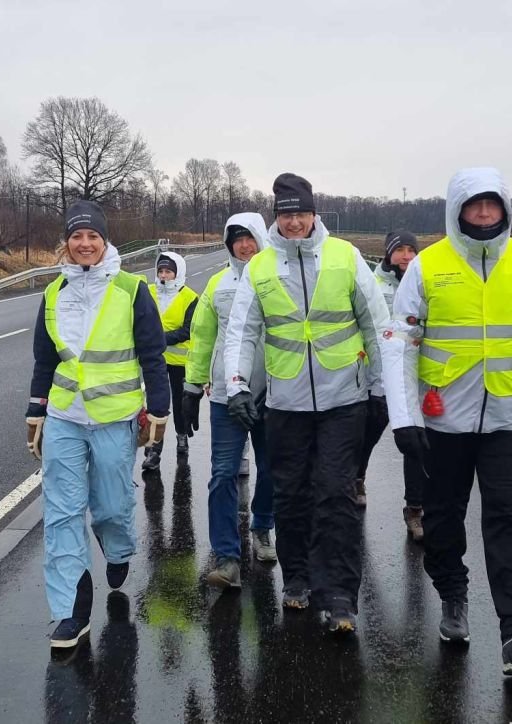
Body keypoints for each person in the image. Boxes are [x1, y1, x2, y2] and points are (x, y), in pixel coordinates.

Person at [382, 167, 512, 676]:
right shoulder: (427, 266)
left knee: (508, 519)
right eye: (474, 205)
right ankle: (453, 598)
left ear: (505, 209)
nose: (484, 214)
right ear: (457, 209)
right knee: (442, 518)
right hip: (443, 422)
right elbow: (400, 346)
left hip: (510, 416)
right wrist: (405, 419)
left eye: (493, 205)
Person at [223, 173, 392, 633]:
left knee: (335, 493)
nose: (293, 222)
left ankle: (339, 593)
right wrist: (237, 385)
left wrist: (383, 389)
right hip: (286, 400)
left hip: (344, 398)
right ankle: (296, 579)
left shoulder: (345, 257)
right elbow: (242, 330)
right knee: (291, 494)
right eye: (285, 214)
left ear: (315, 214)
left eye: (300, 213)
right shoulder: (260, 267)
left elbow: (376, 324)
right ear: (275, 217)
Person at [25, 200, 170, 650]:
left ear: (105, 241)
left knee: (110, 504)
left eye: (93, 237)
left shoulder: (131, 289)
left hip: (114, 417)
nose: (84, 244)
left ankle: (118, 547)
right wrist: (35, 412)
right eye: (76, 237)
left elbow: (152, 352)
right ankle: (71, 610)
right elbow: (45, 358)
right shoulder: (54, 293)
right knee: (63, 512)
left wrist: (160, 410)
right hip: (65, 416)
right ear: (66, 244)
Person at [183, 212, 277, 591]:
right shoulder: (217, 285)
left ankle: (262, 527)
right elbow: (203, 337)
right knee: (223, 474)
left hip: (274, 394)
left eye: (250, 237)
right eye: (237, 238)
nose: (244, 245)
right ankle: (226, 555)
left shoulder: (276, 279)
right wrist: (192, 386)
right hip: (225, 396)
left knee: (273, 469)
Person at [354, 229, 428, 543]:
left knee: (416, 446)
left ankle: (414, 509)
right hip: (382, 379)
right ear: (389, 254)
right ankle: (357, 477)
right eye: (400, 250)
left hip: (417, 380)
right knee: (368, 435)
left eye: (412, 250)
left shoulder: (426, 284)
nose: (407, 256)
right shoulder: (374, 283)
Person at [142, 251, 198, 471]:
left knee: (179, 402)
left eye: (169, 271)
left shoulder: (190, 297)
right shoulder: (148, 292)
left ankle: (182, 435)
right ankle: (153, 449)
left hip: (179, 361)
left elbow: (187, 330)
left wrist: (159, 339)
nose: (164, 275)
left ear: (178, 273)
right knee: (157, 404)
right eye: (161, 271)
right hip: (154, 361)